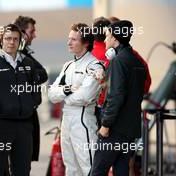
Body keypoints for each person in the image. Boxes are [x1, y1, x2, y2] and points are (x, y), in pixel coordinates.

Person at [91, 20, 147, 176]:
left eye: (107, 36)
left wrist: (106, 125)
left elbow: (117, 96)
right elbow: (131, 93)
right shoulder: (138, 62)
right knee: (122, 171)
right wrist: (105, 82)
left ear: (115, 38)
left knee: (98, 171)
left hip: (114, 129)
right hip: (130, 130)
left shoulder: (118, 61)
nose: (104, 40)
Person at [48, 23, 105, 176]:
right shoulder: (68, 66)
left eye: (74, 39)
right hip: (66, 119)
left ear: (86, 43)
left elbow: (85, 96)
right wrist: (67, 89)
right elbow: (52, 95)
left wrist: (64, 96)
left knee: (89, 167)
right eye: (69, 38)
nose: (69, 42)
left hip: (83, 118)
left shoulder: (95, 65)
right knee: (71, 168)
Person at [0, 24, 37, 176]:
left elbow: (35, 90)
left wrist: (31, 104)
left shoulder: (28, 63)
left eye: (15, 39)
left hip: (24, 126)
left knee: (22, 171)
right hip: (1, 126)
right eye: (8, 38)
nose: (12, 42)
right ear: (1, 40)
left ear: (20, 41)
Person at [14, 15, 48, 162]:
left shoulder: (24, 54)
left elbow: (43, 74)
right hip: (15, 116)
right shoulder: (14, 54)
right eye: (32, 31)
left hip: (26, 112)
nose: (35, 35)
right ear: (22, 32)